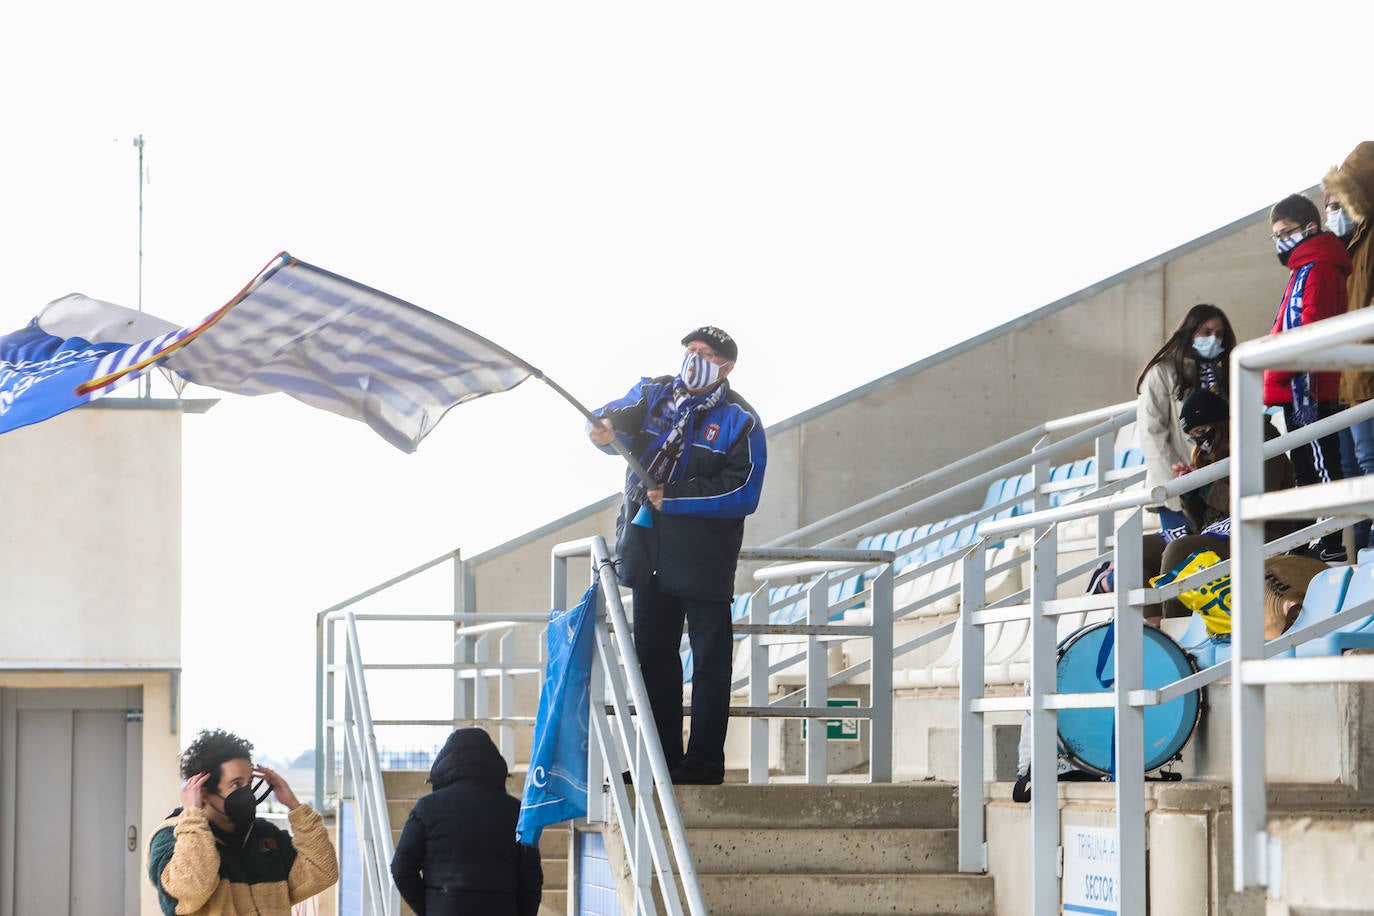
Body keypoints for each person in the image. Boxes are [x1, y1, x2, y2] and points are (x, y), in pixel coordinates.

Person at [588, 326, 767, 785]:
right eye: (689, 350)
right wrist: (603, 428)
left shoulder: (741, 420)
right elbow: (617, 415)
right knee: (652, 659)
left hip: (705, 559)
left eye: (705, 353)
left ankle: (703, 763)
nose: (693, 358)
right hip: (648, 551)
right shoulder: (655, 394)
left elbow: (744, 491)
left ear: (726, 366)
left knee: (710, 663)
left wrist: (676, 497)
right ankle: (659, 760)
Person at [1139, 388, 1296, 625]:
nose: (1199, 441)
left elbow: (1250, 502)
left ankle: (1176, 631)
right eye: (1193, 436)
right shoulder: (1207, 453)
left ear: (1221, 422)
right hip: (1219, 532)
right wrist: (1190, 492)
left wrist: (1205, 485)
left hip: (1258, 532)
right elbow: (1201, 520)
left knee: (1179, 551)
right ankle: (1154, 627)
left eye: (1202, 431)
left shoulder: (1260, 440)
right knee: (1137, 549)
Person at [148, 729, 338, 915]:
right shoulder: (170, 837)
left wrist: (295, 807)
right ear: (203, 792)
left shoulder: (265, 834)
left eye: (249, 783)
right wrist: (192, 815)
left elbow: (323, 872)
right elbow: (191, 889)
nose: (247, 793)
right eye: (236, 784)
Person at [1263, 192, 1351, 562]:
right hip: (1298, 387)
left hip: (1310, 388)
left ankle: (1333, 543)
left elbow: (1307, 331)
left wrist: (1276, 370)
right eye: (1276, 235)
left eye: (1287, 232)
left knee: (1321, 466)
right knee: (1306, 467)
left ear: (1310, 227)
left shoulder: (1317, 268)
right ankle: (1313, 539)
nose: (1281, 241)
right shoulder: (1302, 269)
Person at [390, 728, 542, 916]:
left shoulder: (427, 808)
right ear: (495, 766)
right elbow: (531, 878)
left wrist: (430, 908)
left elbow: (401, 869)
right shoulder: (517, 812)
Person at [1135, 303, 1237, 533]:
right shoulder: (1161, 373)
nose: (1213, 339)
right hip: (1178, 486)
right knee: (1184, 552)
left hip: (1216, 486)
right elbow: (1152, 434)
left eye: (1219, 334)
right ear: (1189, 333)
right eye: (1206, 332)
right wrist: (1178, 485)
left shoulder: (1220, 374)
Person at [1325, 142, 1374, 551]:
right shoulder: (1353, 241)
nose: (1337, 208)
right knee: (1352, 469)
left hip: (1365, 372)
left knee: (1369, 461)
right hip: (1350, 377)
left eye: (1344, 197)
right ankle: (1360, 551)